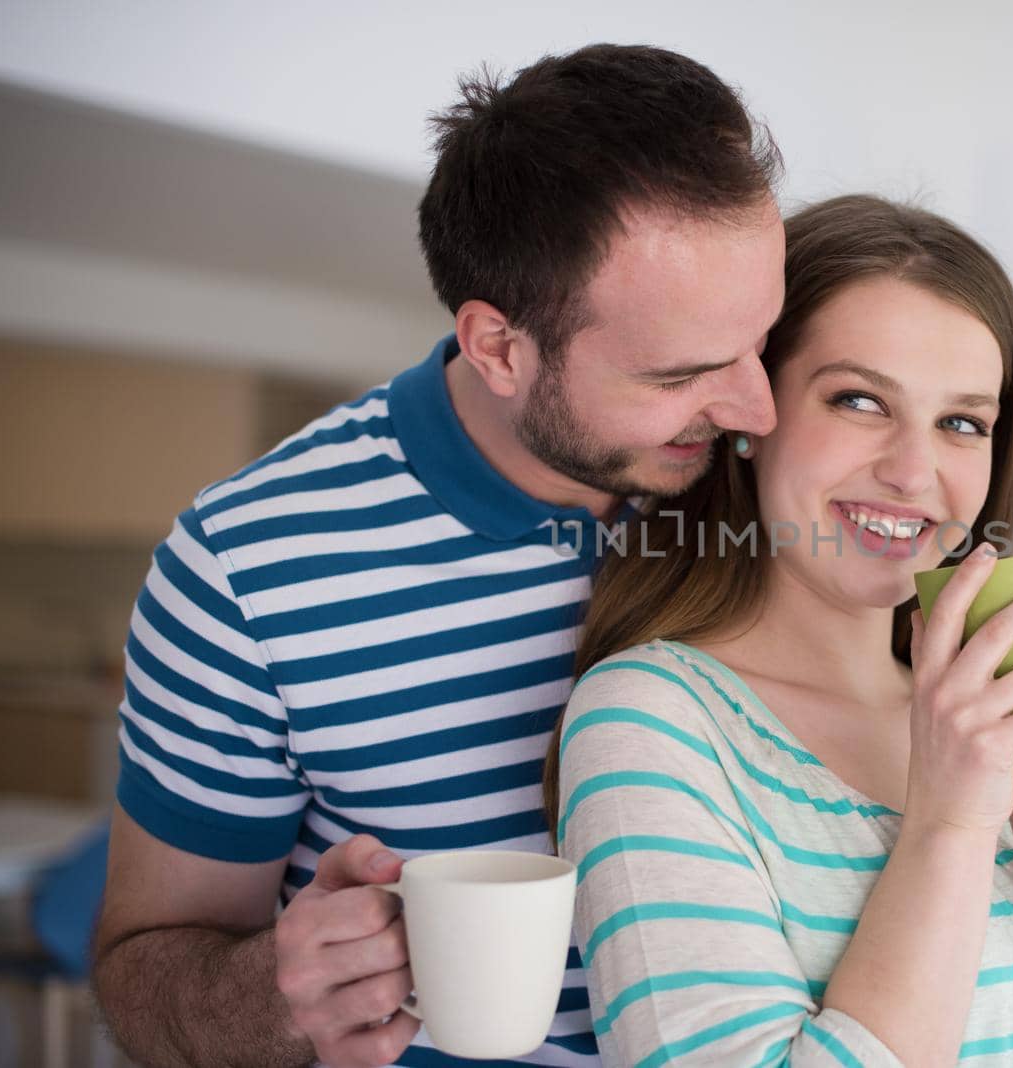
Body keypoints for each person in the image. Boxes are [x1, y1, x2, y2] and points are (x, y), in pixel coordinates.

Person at [91, 44, 785, 1068]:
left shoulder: (771, 488)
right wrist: (277, 993)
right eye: (681, 373)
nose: (753, 411)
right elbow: (141, 965)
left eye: (760, 341)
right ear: (498, 347)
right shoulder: (247, 564)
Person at [550, 195, 1013, 1066]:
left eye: (961, 423)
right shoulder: (650, 723)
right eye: (860, 401)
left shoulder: (1002, 718)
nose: (913, 472)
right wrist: (949, 823)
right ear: (754, 413)